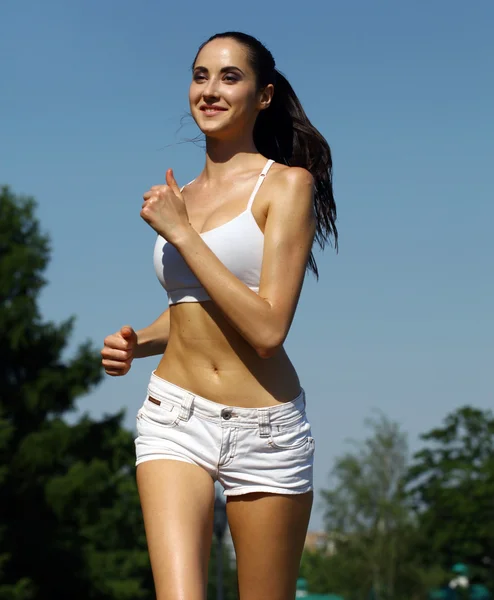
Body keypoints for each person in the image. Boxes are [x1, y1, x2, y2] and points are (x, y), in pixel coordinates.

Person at [101, 31, 337, 600]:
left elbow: (266, 327)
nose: (209, 90)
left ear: (264, 96)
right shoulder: (181, 193)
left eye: (229, 77)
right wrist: (140, 342)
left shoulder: (287, 186)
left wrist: (181, 232)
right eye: (200, 75)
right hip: (173, 417)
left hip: (267, 431)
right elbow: (192, 306)